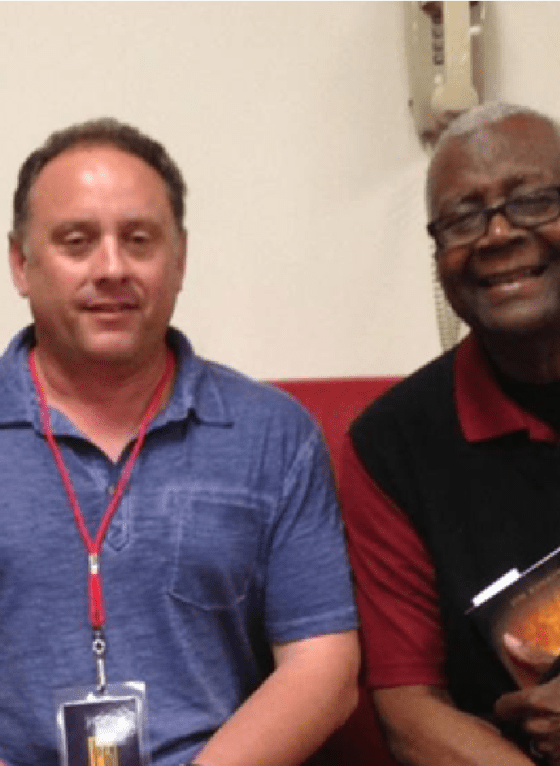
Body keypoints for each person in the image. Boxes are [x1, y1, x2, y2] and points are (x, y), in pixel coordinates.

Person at [1, 117, 359, 766]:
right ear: (21, 264)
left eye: (139, 240)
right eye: (77, 242)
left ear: (179, 260)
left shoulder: (273, 434)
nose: (112, 267)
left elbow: (323, 668)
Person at [341, 101, 560, 766]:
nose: (496, 234)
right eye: (463, 218)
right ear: (440, 258)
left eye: (533, 201)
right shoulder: (390, 445)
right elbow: (411, 711)